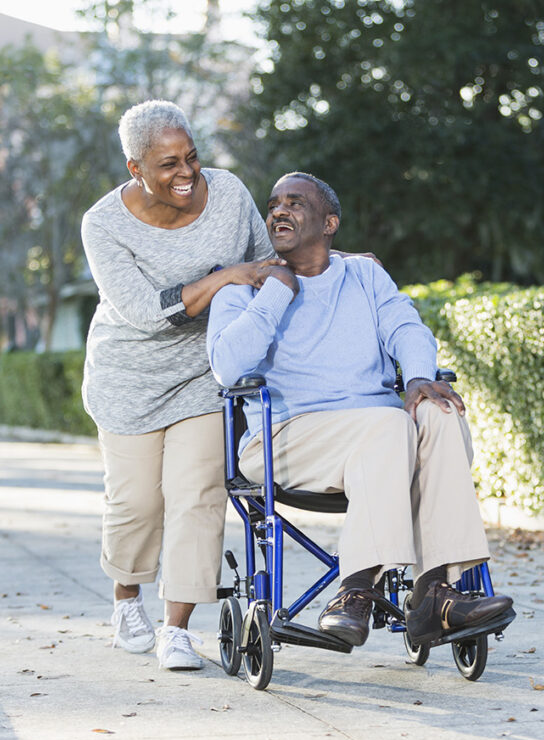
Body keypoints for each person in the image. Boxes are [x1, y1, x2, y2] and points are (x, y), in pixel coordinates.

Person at [206, 172, 513, 648]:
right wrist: (276, 291)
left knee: (440, 411)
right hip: (286, 436)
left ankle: (435, 594)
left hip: (378, 439)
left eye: (295, 203)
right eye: (274, 205)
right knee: (390, 423)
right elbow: (226, 368)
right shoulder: (243, 288)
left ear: (329, 223)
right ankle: (355, 590)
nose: (279, 211)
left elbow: (407, 327)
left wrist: (415, 378)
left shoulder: (364, 275)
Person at [81, 99, 284, 670]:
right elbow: (147, 313)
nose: (187, 173)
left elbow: (268, 264)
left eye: (191, 157)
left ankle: (177, 627)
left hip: (203, 372)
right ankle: (126, 599)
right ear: (135, 168)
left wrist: (337, 262)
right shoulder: (103, 224)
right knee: (136, 504)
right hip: (129, 378)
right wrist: (222, 277)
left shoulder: (227, 194)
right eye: (168, 164)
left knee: (197, 495)